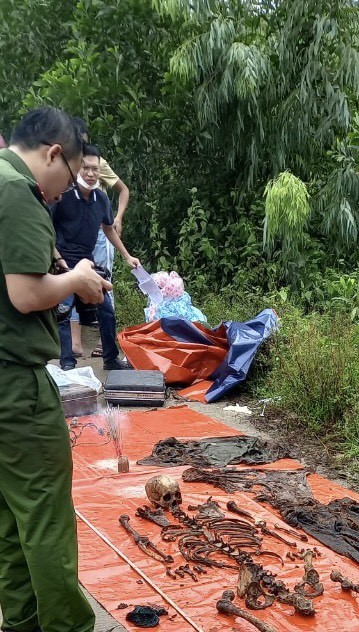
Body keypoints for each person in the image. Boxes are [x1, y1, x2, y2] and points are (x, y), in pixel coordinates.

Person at [0, 107, 110, 632]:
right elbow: (24, 295)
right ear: (51, 155)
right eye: (67, 177)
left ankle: (21, 623)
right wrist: (79, 281)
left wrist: (60, 268)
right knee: (45, 519)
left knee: (10, 520)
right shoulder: (18, 193)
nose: (63, 192)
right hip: (15, 386)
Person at [52, 143, 139, 371]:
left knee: (107, 309)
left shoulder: (101, 199)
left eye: (95, 169)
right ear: (77, 168)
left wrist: (127, 256)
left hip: (88, 263)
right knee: (64, 310)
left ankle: (111, 359)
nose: (90, 174)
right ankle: (67, 364)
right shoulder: (62, 196)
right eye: (86, 168)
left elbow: (109, 229)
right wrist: (55, 257)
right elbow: (45, 228)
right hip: (62, 263)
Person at [70, 118, 130, 357]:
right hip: (74, 235)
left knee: (103, 283)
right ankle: (74, 344)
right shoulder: (66, 164)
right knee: (72, 283)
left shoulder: (95, 164)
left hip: (99, 230)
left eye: (80, 140)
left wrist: (118, 218)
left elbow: (123, 190)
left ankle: (106, 345)